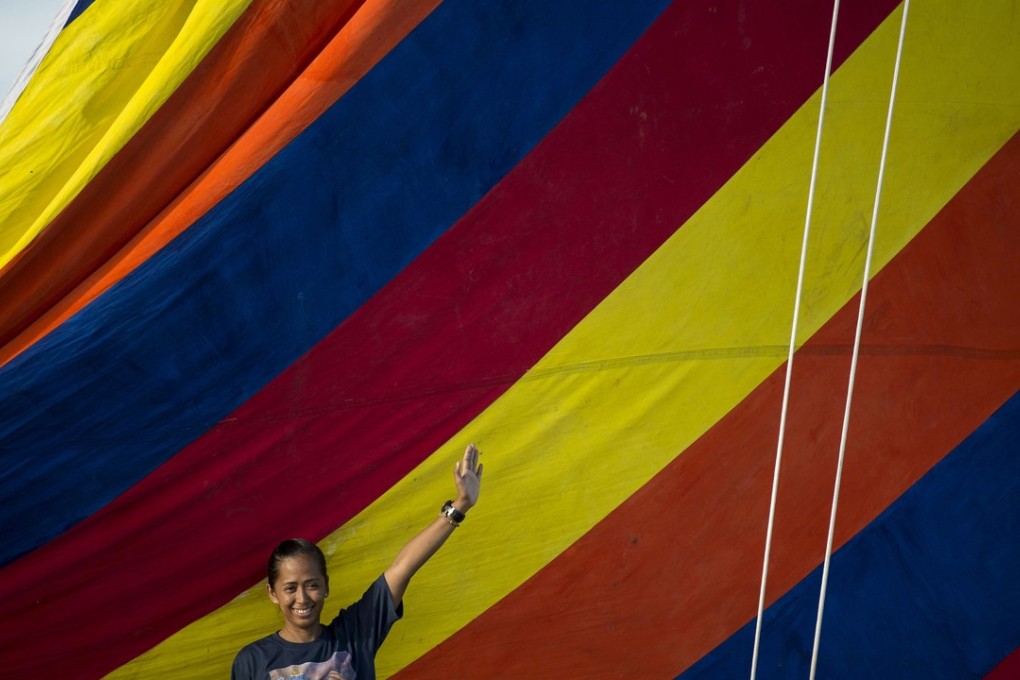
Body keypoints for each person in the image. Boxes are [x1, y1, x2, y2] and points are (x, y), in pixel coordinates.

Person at [231, 443, 483, 680]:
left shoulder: (355, 635)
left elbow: (403, 567)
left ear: (326, 585)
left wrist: (459, 506)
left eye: (311, 585)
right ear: (272, 593)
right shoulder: (253, 661)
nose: (302, 598)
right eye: (290, 588)